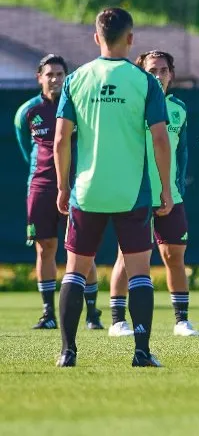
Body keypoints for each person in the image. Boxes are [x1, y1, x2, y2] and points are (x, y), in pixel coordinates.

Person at [54, 8, 172, 368]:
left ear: (96, 37)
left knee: (75, 270)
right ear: (131, 38)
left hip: (87, 191)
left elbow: (61, 139)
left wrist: (62, 187)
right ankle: (141, 352)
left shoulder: (76, 79)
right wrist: (165, 188)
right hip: (131, 193)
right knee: (139, 272)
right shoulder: (145, 82)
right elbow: (160, 139)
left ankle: (67, 352)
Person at [108, 50, 198, 338]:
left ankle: (181, 321)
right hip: (136, 195)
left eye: (163, 70)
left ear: (171, 74)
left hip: (170, 196)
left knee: (174, 256)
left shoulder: (179, 109)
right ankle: (117, 320)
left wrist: (177, 188)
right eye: (151, 71)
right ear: (142, 74)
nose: (158, 76)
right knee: (126, 255)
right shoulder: (133, 106)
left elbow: (181, 152)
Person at [15, 55, 103, 331]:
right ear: (39, 77)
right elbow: (24, 145)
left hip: (78, 186)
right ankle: (47, 313)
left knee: (81, 250)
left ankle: (92, 313)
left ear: (68, 78)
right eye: (49, 74)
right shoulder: (27, 111)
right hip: (40, 188)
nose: (54, 79)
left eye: (60, 74)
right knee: (46, 248)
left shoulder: (79, 106)